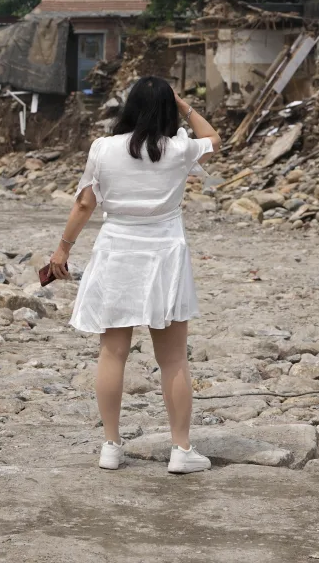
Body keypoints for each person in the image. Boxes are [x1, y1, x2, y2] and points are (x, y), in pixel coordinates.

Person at [50, 76, 222, 474]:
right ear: (168, 108)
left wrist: (63, 248)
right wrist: (185, 106)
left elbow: (83, 205)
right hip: (164, 254)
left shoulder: (103, 148)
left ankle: (111, 445)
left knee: (112, 352)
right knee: (174, 357)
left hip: (117, 251)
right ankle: (181, 450)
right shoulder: (179, 148)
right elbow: (214, 139)